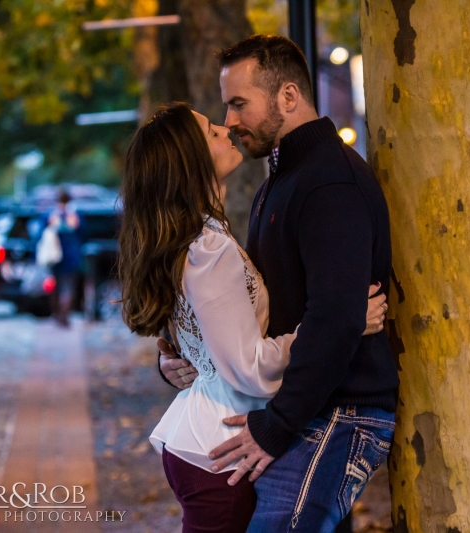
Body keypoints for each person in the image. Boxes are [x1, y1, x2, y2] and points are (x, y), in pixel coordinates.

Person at [158, 35, 399, 531]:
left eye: (239, 104)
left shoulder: (329, 183)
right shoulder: (280, 182)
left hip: (341, 410)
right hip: (304, 405)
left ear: (288, 97)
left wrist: (276, 425)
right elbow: (251, 311)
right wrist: (178, 353)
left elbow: (334, 319)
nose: (229, 121)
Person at [47, 190, 82, 327]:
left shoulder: (53, 214)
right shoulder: (74, 214)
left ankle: (56, 315)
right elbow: (81, 233)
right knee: (68, 288)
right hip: (71, 256)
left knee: (55, 287)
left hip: (55, 256)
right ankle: (64, 316)